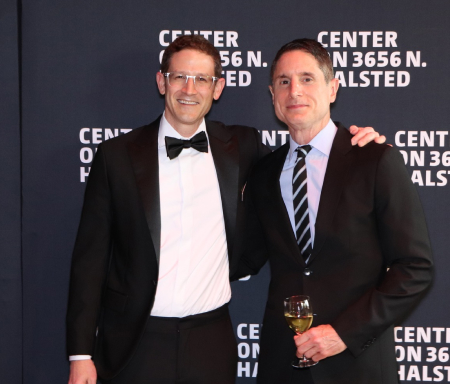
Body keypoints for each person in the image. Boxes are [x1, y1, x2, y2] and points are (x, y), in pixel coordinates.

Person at [66, 35, 384, 384]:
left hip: (211, 340)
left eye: (202, 79)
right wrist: (81, 354)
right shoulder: (116, 156)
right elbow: (90, 261)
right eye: (179, 77)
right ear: (162, 82)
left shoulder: (242, 146)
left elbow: (306, 155)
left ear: (217, 88)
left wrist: (355, 142)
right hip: (133, 341)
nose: (190, 89)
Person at [238, 38, 434, 384]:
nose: (294, 90)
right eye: (284, 81)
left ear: (333, 88)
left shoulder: (374, 159)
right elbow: (244, 256)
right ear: (273, 96)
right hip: (282, 364)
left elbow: (414, 268)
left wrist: (343, 333)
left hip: (357, 364)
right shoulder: (263, 173)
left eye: (307, 78)